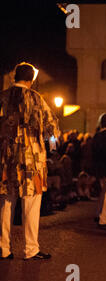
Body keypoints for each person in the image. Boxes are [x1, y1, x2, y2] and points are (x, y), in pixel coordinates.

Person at [0, 62, 59, 260]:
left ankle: (3, 248)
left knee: (6, 203)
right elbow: (52, 128)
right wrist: (51, 144)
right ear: (31, 79)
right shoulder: (36, 98)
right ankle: (30, 249)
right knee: (31, 205)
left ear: (14, 77)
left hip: (5, 158)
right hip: (31, 159)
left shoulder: (3, 97)